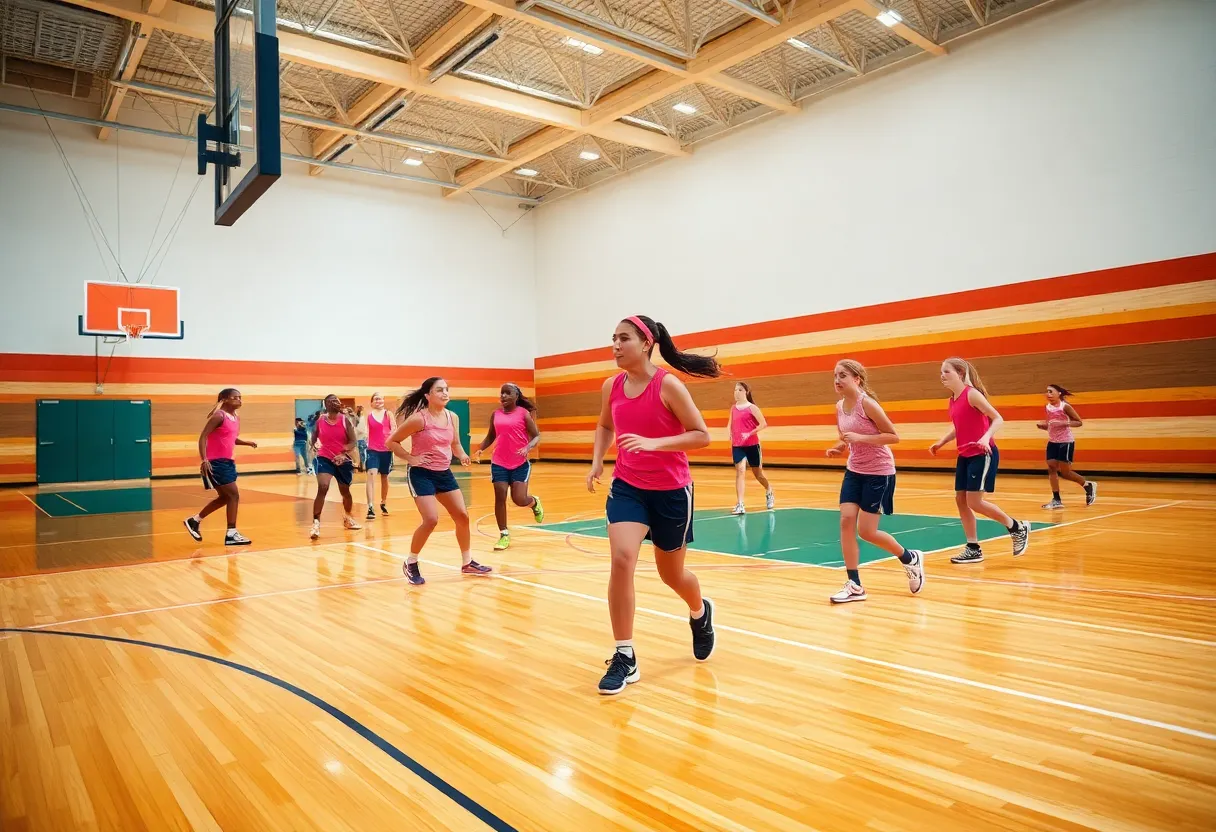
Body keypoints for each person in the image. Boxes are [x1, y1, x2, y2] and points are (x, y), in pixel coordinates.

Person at [587, 315, 720, 695]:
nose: (615, 345)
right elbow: (605, 425)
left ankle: (699, 611)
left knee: (672, 575)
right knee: (622, 558)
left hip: (672, 491)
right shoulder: (611, 386)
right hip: (628, 486)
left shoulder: (669, 386)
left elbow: (702, 436)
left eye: (623, 338)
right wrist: (598, 459)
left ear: (645, 344)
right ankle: (624, 655)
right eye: (612, 338)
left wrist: (653, 443)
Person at [824, 360, 924, 603]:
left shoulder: (867, 403)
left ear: (857, 379)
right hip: (854, 470)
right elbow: (848, 437)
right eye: (835, 375)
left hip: (879, 472)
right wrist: (841, 447)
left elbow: (893, 436)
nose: (837, 380)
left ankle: (909, 558)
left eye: (843, 375)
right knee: (846, 521)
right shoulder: (839, 406)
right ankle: (854, 584)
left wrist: (860, 437)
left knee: (867, 532)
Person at [387, 377, 490, 585]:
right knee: (431, 519)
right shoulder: (419, 419)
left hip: (444, 472)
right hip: (421, 473)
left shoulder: (452, 417)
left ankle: (467, 562)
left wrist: (462, 456)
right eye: (439, 390)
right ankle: (411, 562)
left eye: (446, 390)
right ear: (428, 396)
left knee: (462, 516)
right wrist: (410, 458)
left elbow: (456, 443)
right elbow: (391, 442)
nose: (445, 393)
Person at [929, 358, 1030, 563]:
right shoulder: (953, 399)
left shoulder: (972, 394)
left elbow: (998, 418)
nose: (942, 376)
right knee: (961, 500)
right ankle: (973, 547)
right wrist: (941, 442)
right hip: (965, 454)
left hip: (983, 454)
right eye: (941, 372)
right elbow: (961, 426)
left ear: (959, 372)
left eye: (946, 372)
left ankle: (1016, 527)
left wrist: (985, 437)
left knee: (974, 502)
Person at [473, 383, 544, 550]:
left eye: (507, 393)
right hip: (499, 462)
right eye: (501, 393)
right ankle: (504, 534)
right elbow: (491, 436)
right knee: (500, 494)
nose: (503, 396)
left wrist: (528, 447)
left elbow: (536, 436)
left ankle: (534, 503)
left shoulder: (524, 414)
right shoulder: (495, 414)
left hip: (519, 463)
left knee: (519, 499)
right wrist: (480, 449)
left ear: (516, 396)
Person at [184, 388, 256, 545]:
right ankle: (231, 533)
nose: (239, 400)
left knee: (225, 497)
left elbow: (231, 438)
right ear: (224, 399)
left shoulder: (235, 417)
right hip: (215, 463)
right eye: (234, 397)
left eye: (240, 397)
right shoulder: (219, 416)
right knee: (233, 496)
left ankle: (194, 521)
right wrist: (204, 460)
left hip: (228, 462)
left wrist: (246, 443)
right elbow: (203, 437)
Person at [309, 394, 361, 539]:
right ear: (326, 405)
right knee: (323, 486)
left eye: (337, 400)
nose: (336, 403)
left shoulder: (345, 420)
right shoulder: (320, 420)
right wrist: (314, 445)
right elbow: (313, 438)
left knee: (345, 491)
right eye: (332, 401)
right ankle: (315, 523)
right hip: (324, 457)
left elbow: (353, 442)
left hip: (343, 459)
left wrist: (343, 453)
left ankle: (348, 517)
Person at [1037, 384, 1097, 509]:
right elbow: (1051, 423)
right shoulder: (1048, 407)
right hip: (1052, 441)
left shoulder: (1065, 406)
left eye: (1050, 391)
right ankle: (1056, 499)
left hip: (1065, 442)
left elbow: (1079, 422)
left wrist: (1064, 422)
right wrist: (1045, 426)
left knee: (1066, 473)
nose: (1048, 394)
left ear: (1059, 393)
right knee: (1051, 467)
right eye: (1047, 392)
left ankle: (1087, 485)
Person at [727, 381, 774, 514]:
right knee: (740, 471)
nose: (737, 392)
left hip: (752, 445)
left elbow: (763, 424)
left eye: (740, 390)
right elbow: (730, 423)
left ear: (746, 392)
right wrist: (729, 432)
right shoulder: (733, 408)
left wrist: (749, 433)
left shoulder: (752, 408)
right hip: (738, 446)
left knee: (758, 474)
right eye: (735, 390)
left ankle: (769, 490)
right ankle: (740, 504)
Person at [363, 393, 396, 521]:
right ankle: (370, 506)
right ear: (372, 402)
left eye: (381, 398)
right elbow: (365, 431)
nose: (379, 400)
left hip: (386, 450)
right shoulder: (369, 416)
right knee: (371, 474)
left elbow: (394, 429)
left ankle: (383, 502)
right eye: (376, 398)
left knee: (384, 476)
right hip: (372, 450)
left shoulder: (388, 414)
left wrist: (392, 443)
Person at [354, 404, 369, 472]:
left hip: (360, 438)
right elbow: (361, 429)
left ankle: (362, 466)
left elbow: (360, 429)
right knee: (362, 453)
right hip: (360, 438)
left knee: (361, 453)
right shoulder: (360, 418)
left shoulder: (359, 418)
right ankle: (362, 466)